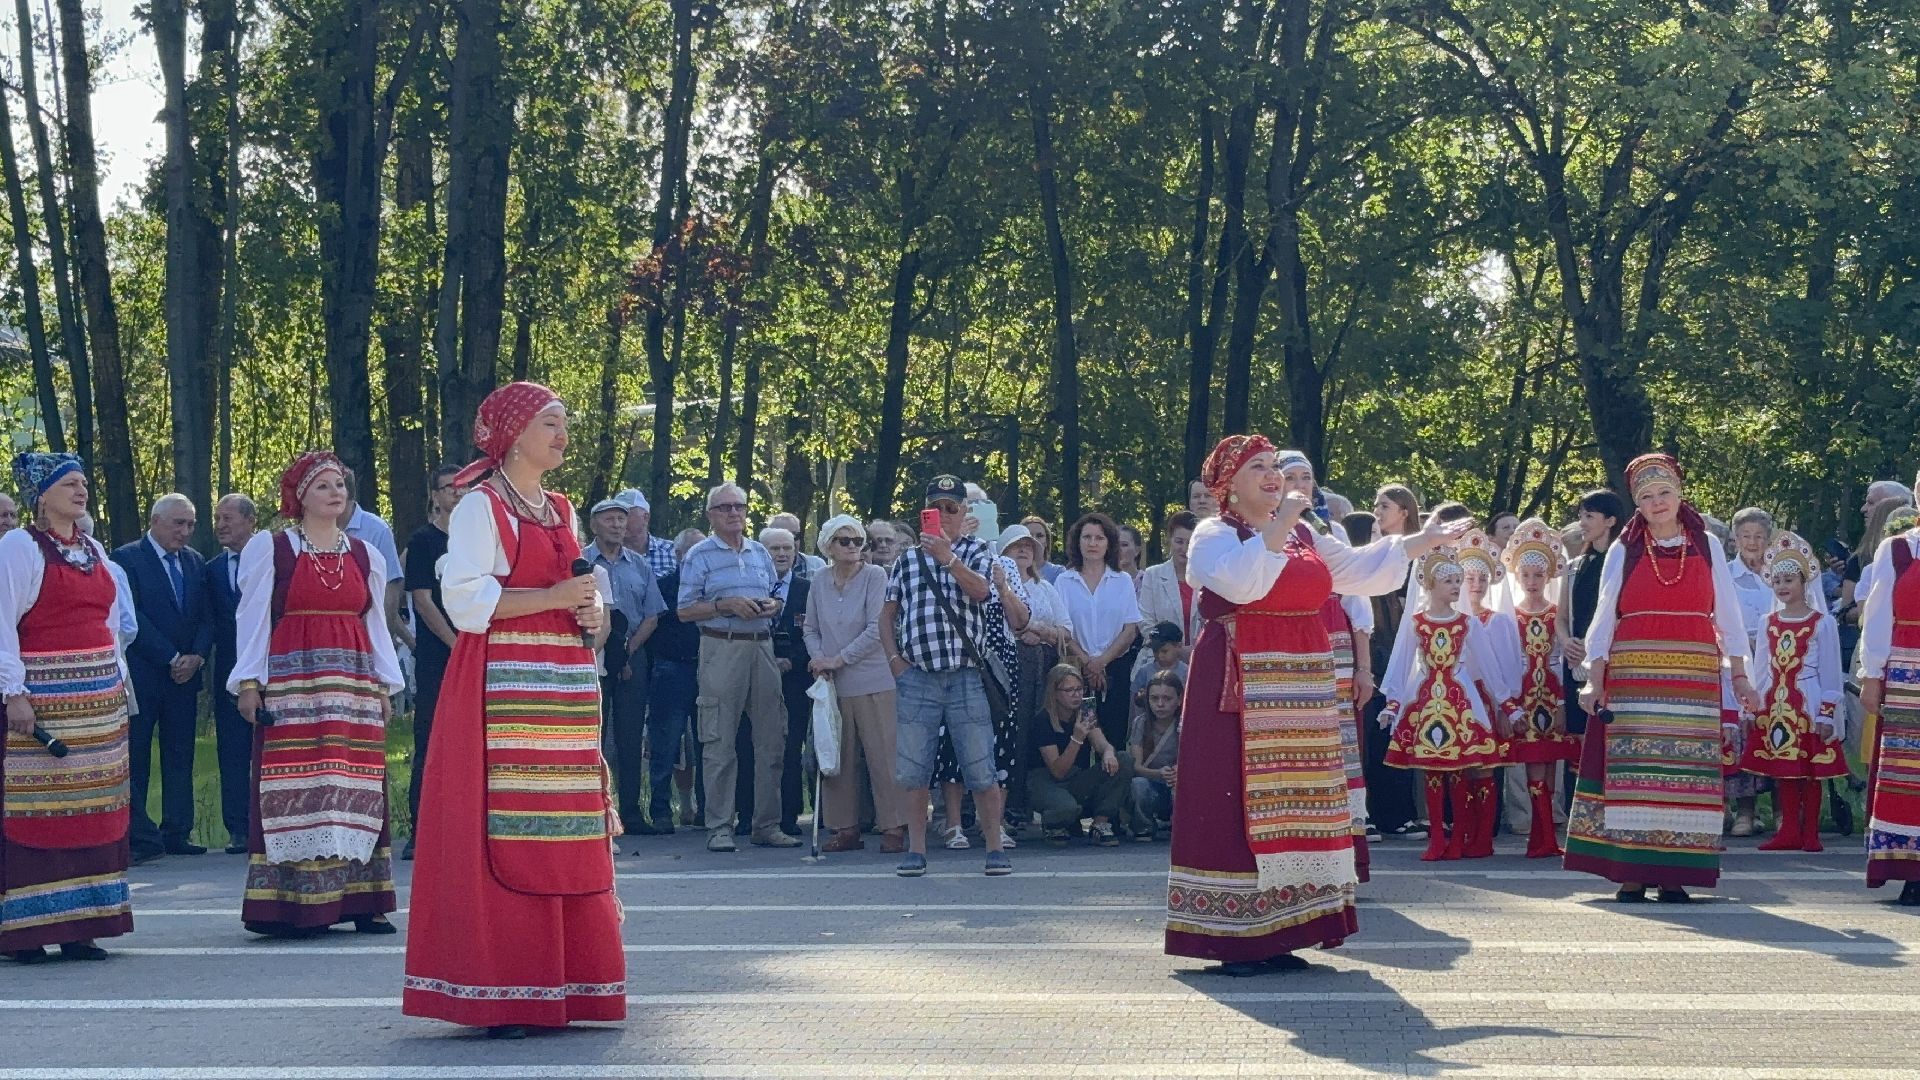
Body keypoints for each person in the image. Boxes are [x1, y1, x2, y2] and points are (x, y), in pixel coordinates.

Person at [1167, 436, 1458, 976]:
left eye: (1275, 466)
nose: (1274, 475)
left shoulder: (1303, 531)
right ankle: (1237, 937)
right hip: (1241, 683)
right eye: (1258, 468)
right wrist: (1281, 525)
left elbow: (1354, 570)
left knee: (1298, 799)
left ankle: (1285, 930)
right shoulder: (1214, 534)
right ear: (1228, 484)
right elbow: (1243, 582)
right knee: (1239, 801)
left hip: (1301, 679)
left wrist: (1424, 540)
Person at [403, 382, 623, 1037]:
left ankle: (565, 981)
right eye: (550, 422)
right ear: (514, 432)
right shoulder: (480, 506)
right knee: (508, 825)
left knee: (563, 826)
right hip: (502, 683)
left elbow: (583, 594)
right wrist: (554, 595)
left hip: (561, 684)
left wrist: (591, 611)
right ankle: (507, 988)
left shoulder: (560, 507)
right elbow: (465, 603)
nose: (561, 434)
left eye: (563, 423)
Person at [227, 452, 403, 938]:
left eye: (340, 485)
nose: (336, 492)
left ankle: (364, 900)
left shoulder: (367, 554)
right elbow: (254, 616)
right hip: (293, 680)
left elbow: (376, 626)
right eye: (323, 485)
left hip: (352, 684)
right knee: (300, 784)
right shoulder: (274, 548)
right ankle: (293, 905)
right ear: (300, 496)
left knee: (356, 785)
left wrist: (384, 685)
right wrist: (249, 682)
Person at [1568, 454, 1757, 903]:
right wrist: (1595, 681)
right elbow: (1603, 618)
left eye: (1664, 493)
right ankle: (1631, 873)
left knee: (1682, 772)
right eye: (1647, 497)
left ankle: (1673, 873)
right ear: (1637, 503)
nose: (1657, 503)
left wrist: (1741, 676)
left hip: (1692, 675)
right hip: (1634, 674)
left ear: (1679, 494)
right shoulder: (1625, 548)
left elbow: (1727, 614)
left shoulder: (1706, 544)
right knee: (1637, 770)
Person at [0, 452, 133, 964]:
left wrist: (117, 687)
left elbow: (110, 628)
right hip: (44, 704)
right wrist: (14, 692)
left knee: (95, 813)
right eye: (70, 484)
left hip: (98, 707)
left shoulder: (94, 550)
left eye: (84, 483)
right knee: (39, 812)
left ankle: (84, 925)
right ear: (42, 494)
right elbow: (3, 623)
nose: (81, 491)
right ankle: (29, 930)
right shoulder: (19, 547)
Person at [884, 474, 1017, 877]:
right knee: (913, 767)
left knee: (980, 766)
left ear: (964, 513)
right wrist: (895, 662)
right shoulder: (906, 560)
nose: (943, 514)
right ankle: (917, 850)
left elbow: (981, 592)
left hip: (965, 676)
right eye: (935, 507)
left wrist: (948, 558)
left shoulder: (978, 552)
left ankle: (994, 847)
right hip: (918, 677)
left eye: (951, 507)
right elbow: (887, 615)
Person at [1379, 546, 1517, 861]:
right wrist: (1393, 703)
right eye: (1448, 581)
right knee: (1431, 770)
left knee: (1457, 769)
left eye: (1457, 580)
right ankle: (1437, 836)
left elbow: (1490, 666)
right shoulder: (1416, 622)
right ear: (1430, 585)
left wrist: (1508, 704)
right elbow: (1401, 663)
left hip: (1460, 699)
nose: (1456, 587)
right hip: (1426, 698)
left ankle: (1456, 837)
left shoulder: (1468, 623)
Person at [680, 484, 796, 851]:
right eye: (725, 507)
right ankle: (719, 827)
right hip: (720, 646)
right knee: (718, 740)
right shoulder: (699, 555)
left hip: (762, 647)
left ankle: (767, 824)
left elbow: (777, 594)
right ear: (711, 514)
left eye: (739, 506)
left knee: (772, 739)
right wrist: (724, 605)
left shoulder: (761, 552)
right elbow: (684, 610)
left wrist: (772, 606)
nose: (733, 513)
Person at [112, 492, 212, 861]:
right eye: (178, 523)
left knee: (180, 754)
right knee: (135, 755)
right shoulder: (127, 559)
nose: (185, 532)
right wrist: (170, 656)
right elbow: (131, 617)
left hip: (185, 678)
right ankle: (137, 836)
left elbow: (206, 616)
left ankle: (177, 830)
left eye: (190, 525)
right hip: (145, 674)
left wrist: (197, 656)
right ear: (155, 521)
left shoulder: (195, 562)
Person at [806, 516, 906, 854]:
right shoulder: (819, 579)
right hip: (833, 684)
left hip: (874, 678)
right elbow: (810, 627)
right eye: (844, 540)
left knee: (883, 756)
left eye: (857, 540)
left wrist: (839, 659)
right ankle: (844, 827)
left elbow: (877, 628)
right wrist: (819, 660)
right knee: (837, 756)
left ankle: (893, 826)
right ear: (828, 546)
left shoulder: (876, 576)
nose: (853, 546)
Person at [1740, 531, 1846, 853]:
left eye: (1790, 580)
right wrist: (1753, 706)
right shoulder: (1767, 622)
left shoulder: (1821, 623)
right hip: (1776, 703)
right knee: (1785, 768)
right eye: (1778, 581)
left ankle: (1810, 831)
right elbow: (1761, 670)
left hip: (1809, 701)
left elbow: (1829, 672)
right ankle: (1788, 831)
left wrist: (1827, 711)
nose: (1783, 586)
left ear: (1804, 582)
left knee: (1811, 770)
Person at [1500, 519, 1578, 858]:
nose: (1532, 582)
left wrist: (1561, 702)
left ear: (1549, 577)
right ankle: (1540, 835)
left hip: (1551, 695)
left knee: (1550, 767)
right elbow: (1507, 662)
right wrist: (1510, 705)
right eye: (1526, 575)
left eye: (1539, 575)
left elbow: (1560, 658)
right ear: (1517, 576)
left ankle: (1545, 834)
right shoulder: (1511, 617)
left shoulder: (1555, 615)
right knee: (1533, 764)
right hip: (1525, 697)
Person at [587, 498, 666, 835]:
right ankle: (592, 813)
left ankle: (632, 813)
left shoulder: (640, 565)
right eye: (609, 519)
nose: (617, 525)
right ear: (594, 525)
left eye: (622, 519)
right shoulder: (580, 562)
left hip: (633, 657)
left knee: (631, 737)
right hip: (590, 656)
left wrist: (628, 650)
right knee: (593, 737)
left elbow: (653, 614)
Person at [1858, 480, 1920, 903]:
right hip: (1908, 677)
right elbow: (1878, 617)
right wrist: (1872, 674)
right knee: (1909, 776)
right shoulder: (1898, 550)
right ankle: (1913, 869)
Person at [401, 464, 465, 859]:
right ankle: (420, 827)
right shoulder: (423, 541)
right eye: (449, 489)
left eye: (463, 488)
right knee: (430, 739)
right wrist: (454, 643)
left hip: (480, 652)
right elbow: (422, 601)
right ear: (435, 496)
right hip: (437, 657)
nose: (458, 494)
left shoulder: (479, 542)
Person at [1455, 529, 1520, 856]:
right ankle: (1463, 830)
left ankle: (1483, 835)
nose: (1475, 584)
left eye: (1481, 577)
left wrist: (1505, 707)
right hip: (1458, 699)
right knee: (1460, 765)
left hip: (1488, 700)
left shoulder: (1499, 622)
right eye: (1468, 577)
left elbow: (1507, 668)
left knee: (1484, 766)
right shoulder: (1451, 620)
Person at [1362, 485, 1422, 841]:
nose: (1377, 511)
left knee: (1403, 733)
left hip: (1413, 652)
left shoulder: (1419, 556)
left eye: (1384, 505)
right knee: (1375, 732)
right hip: (1379, 654)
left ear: (1404, 510)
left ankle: (1400, 813)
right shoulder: (1370, 555)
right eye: (1375, 505)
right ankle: (1374, 812)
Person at [1559, 489, 1624, 812]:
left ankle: (1612, 805)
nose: (1582, 523)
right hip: (1575, 662)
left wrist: (1597, 643)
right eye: (1581, 516)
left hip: (1611, 662)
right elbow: (1561, 617)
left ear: (1610, 520)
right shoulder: (1574, 566)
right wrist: (1566, 640)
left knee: (1608, 736)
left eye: (1589, 516)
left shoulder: (1624, 563)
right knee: (1579, 738)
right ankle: (1579, 810)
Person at [1058, 513, 1143, 751]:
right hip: (1076, 669)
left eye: (1099, 538)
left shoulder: (1123, 580)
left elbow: (1130, 630)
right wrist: (1088, 662)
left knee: (1114, 736)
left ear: (1109, 543)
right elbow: (1063, 631)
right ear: (1077, 541)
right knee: (1078, 741)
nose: (1093, 543)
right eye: (1087, 537)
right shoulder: (1064, 581)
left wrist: (1101, 662)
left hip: (1115, 667)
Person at [642, 529, 706, 833]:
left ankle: (710, 810)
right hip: (670, 671)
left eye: (701, 550)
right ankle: (661, 812)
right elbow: (651, 626)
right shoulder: (663, 585)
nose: (695, 556)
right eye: (690, 551)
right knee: (665, 743)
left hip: (708, 669)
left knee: (710, 743)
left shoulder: (713, 587)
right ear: (678, 555)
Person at [1027, 664, 1132, 846]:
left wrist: (1108, 753)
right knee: (1066, 808)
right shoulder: (1043, 720)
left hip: (1076, 777)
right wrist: (1077, 739)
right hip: (1046, 781)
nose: (1076, 695)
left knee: (1124, 759)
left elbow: (1102, 744)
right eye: (1069, 690)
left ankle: (1100, 823)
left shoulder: (1085, 710)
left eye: (1079, 689)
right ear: (1055, 692)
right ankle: (1054, 824)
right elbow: (1058, 771)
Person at [206, 492, 258, 855]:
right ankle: (239, 828)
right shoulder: (210, 570)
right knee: (232, 750)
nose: (221, 525)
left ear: (250, 521)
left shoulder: (272, 559)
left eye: (228, 518)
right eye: (218, 519)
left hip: (270, 669)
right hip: (228, 671)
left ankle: (272, 822)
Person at [764, 527, 814, 836]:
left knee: (792, 745)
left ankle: (789, 814)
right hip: (757, 674)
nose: (782, 554)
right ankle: (753, 813)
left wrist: (791, 660)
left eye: (787, 548)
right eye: (774, 549)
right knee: (757, 745)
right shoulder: (752, 584)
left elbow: (816, 632)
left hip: (796, 678)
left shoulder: (808, 589)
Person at [338, 468, 410, 658]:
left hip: (368, 635)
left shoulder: (377, 530)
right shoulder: (315, 532)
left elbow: (392, 587)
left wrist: (380, 638)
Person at [1136, 511, 1198, 657]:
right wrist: (1173, 649)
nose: (1184, 548)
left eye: (1190, 542)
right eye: (1179, 541)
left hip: (1200, 658)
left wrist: (1195, 650)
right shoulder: (1152, 575)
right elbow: (1145, 621)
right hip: (1160, 659)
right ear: (1169, 540)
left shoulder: (1208, 578)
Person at [1128, 670, 1181, 840]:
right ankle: (1144, 825)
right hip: (1152, 782)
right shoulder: (1141, 723)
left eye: (1167, 699)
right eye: (1154, 698)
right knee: (1138, 785)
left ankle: (1181, 825)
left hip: (1179, 784)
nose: (1160, 704)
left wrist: (1179, 772)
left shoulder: (1186, 724)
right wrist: (1158, 774)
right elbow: (1136, 767)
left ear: (1179, 700)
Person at [616, 488, 678, 579]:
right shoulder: (605, 555)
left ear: (645, 518)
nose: (618, 523)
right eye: (615, 517)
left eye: (625, 515)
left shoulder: (671, 551)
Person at [1130, 621, 1189, 697]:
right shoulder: (1144, 672)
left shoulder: (1186, 673)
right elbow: (1134, 704)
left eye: (1164, 651)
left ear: (1179, 646)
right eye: (1155, 651)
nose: (1159, 656)